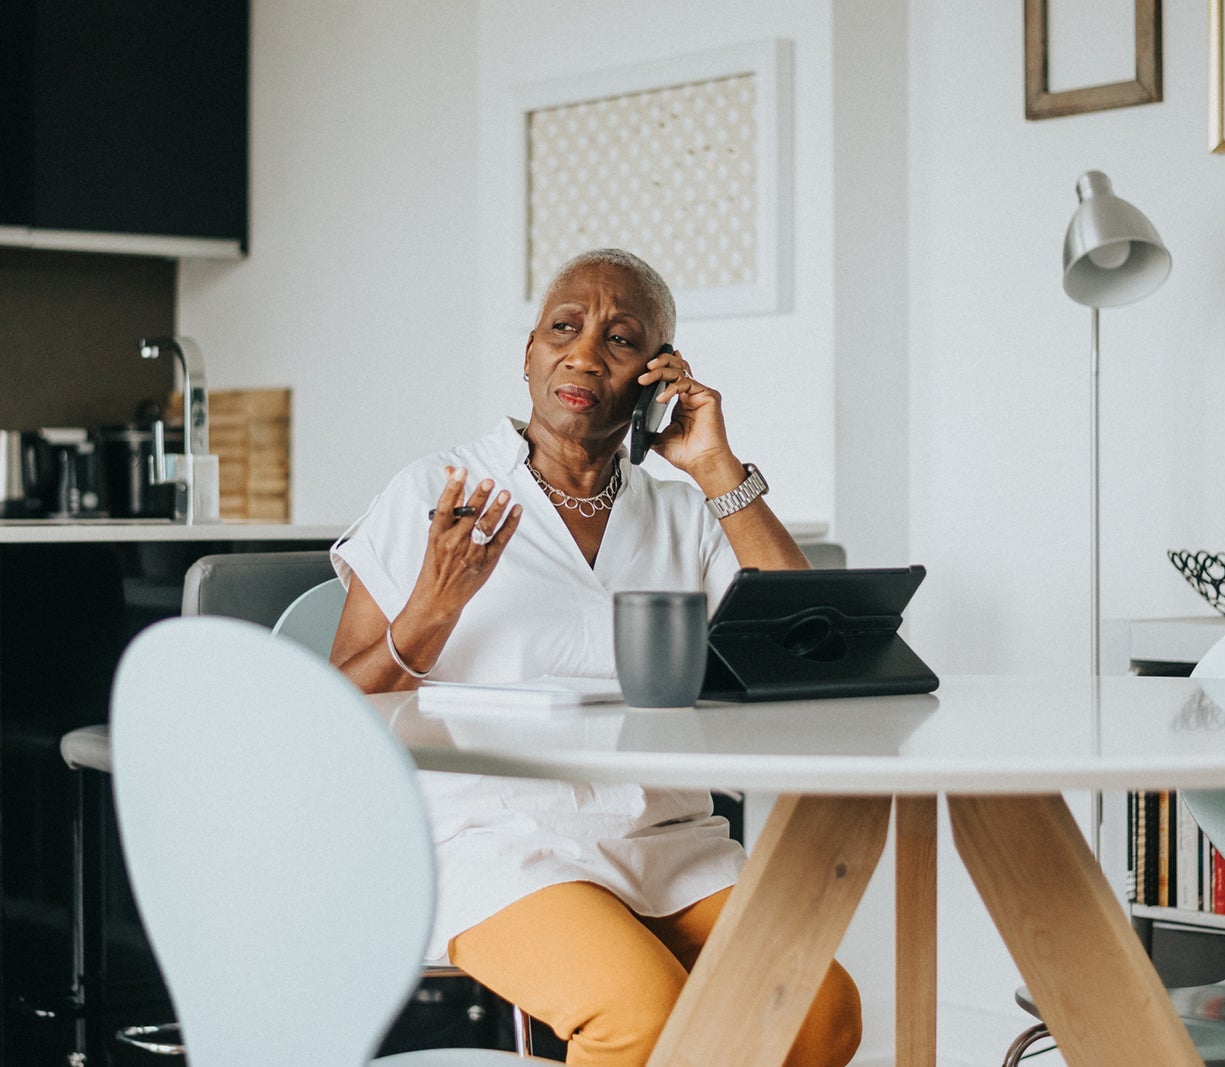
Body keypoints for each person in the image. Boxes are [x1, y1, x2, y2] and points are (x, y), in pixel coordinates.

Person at [329, 248, 862, 1066]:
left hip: (664, 837)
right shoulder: (437, 490)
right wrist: (433, 606)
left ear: (658, 375)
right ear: (530, 353)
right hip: (493, 841)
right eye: (563, 329)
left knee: (818, 1009)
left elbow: (809, 640)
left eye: (619, 339)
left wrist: (716, 465)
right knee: (640, 1013)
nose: (583, 354)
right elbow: (332, 705)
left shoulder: (682, 512)